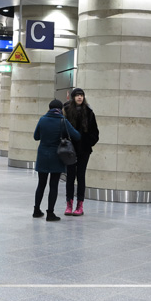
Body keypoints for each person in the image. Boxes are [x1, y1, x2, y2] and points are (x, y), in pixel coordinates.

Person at [33, 99, 80, 222]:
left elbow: (36, 136)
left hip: (42, 155)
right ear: (60, 109)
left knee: (41, 184)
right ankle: (50, 214)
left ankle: (36, 210)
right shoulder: (63, 121)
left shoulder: (42, 119)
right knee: (53, 185)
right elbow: (76, 135)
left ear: (49, 108)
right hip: (56, 156)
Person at [62, 88, 99, 216]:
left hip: (84, 149)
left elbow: (95, 133)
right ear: (73, 97)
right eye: (77, 95)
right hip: (69, 150)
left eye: (81, 95)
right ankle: (69, 204)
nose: (79, 97)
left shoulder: (89, 112)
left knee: (81, 176)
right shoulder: (66, 110)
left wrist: (88, 142)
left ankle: (80, 205)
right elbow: (62, 129)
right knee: (70, 176)